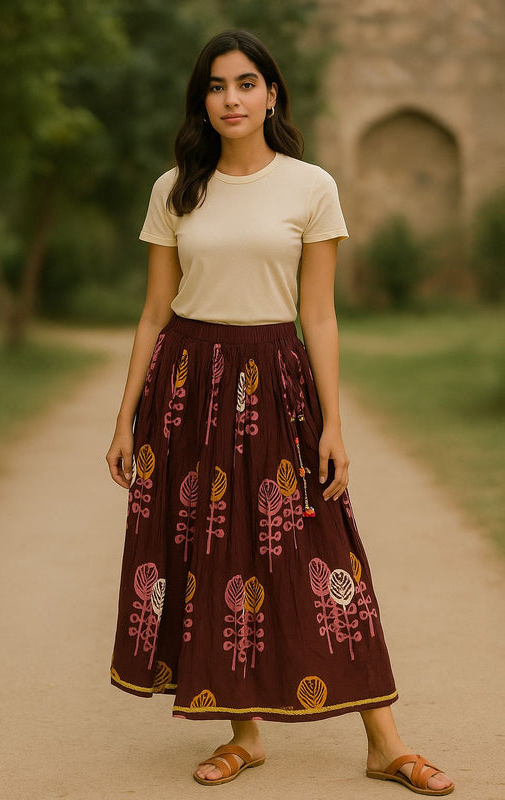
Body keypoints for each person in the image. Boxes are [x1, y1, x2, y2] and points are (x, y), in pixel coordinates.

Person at [106, 29, 454, 796]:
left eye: (245, 83)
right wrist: (125, 417)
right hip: (187, 387)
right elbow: (153, 311)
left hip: (275, 382)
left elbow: (319, 315)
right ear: (201, 99)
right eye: (215, 86)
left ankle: (384, 742)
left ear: (271, 93)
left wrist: (333, 424)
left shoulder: (310, 186)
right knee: (209, 556)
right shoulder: (175, 188)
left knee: (326, 550)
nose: (230, 98)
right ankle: (243, 735)